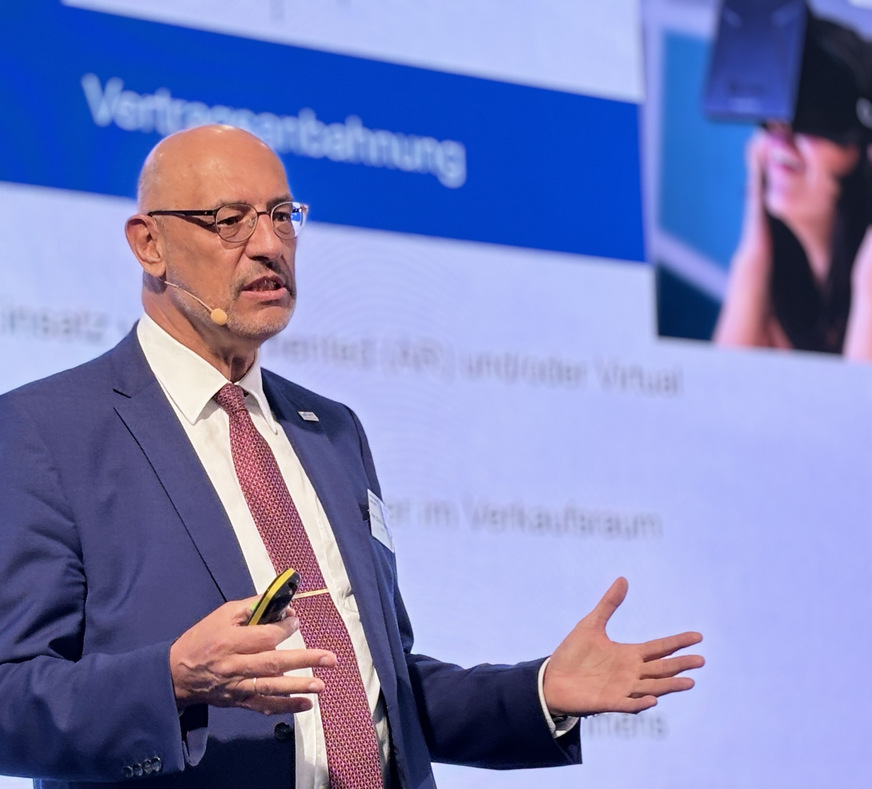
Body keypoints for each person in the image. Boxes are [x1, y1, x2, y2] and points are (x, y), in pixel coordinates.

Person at [0, 125, 703, 789]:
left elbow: (380, 684)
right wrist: (174, 677)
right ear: (149, 244)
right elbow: (9, 699)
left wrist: (540, 689)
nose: (269, 244)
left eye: (282, 215)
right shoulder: (45, 430)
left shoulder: (331, 431)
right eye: (230, 219)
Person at [714, 17, 872, 355]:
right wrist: (754, 249)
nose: (780, 134)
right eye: (774, 114)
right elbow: (719, 390)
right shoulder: (777, 295)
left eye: (816, 113)